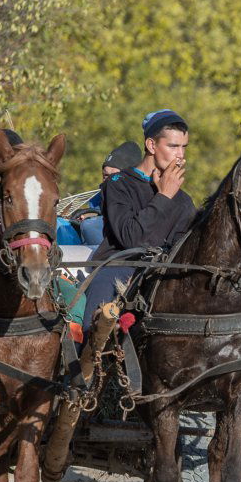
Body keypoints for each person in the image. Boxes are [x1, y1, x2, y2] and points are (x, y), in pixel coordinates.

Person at [83, 109, 196, 334]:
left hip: (160, 275)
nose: (180, 155)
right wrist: (163, 197)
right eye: (173, 146)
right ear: (152, 146)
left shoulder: (184, 201)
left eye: (184, 147)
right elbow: (130, 237)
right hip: (116, 268)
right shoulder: (118, 183)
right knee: (92, 333)